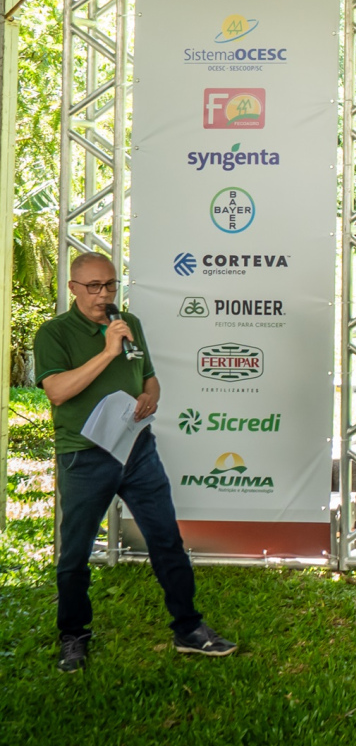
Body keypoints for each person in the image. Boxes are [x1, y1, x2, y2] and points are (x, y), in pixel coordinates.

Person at [38, 252, 236, 671]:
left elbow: (149, 376)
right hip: (84, 455)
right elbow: (57, 391)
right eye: (93, 286)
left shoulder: (129, 324)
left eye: (110, 284)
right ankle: (73, 635)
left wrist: (150, 396)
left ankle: (189, 627)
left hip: (136, 448)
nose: (103, 294)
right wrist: (108, 351)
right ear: (72, 288)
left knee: (166, 539)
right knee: (75, 552)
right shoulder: (54, 333)